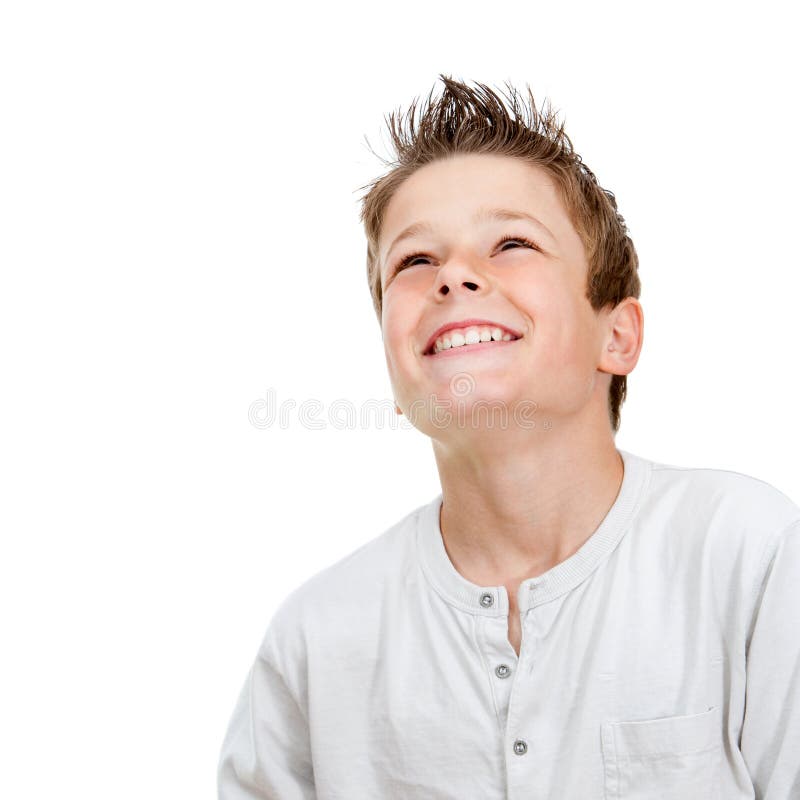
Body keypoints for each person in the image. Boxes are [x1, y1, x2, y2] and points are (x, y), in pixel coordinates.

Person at [217, 75, 800, 799]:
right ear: (398, 368)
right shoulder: (314, 639)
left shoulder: (753, 554)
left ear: (616, 336)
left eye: (512, 243)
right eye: (415, 260)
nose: (455, 275)